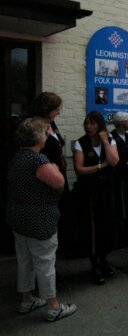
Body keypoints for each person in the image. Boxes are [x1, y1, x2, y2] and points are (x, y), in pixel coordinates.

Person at [7, 118, 76, 322]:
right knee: (45, 263)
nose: (47, 136)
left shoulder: (18, 156)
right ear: (37, 137)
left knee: (25, 261)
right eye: (44, 133)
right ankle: (54, 306)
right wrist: (54, 166)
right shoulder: (38, 160)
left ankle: (27, 299)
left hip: (19, 218)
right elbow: (59, 183)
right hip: (39, 220)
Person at [73, 111, 120, 285]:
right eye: (87, 123)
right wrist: (101, 165)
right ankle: (94, 264)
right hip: (89, 193)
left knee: (107, 225)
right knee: (92, 228)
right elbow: (79, 169)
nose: (89, 127)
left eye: (92, 123)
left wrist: (106, 141)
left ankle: (104, 259)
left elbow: (114, 161)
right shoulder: (81, 143)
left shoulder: (110, 141)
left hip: (106, 190)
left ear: (100, 125)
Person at [29, 92, 71, 254]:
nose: (58, 112)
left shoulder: (51, 124)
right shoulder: (33, 126)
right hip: (45, 177)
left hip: (59, 173)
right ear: (47, 109)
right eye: (56, 109)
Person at [111, 112, 128, 244]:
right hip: (118, 176)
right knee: (120, 204)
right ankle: (120, 235)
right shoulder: (112, 137)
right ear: (121, 123)